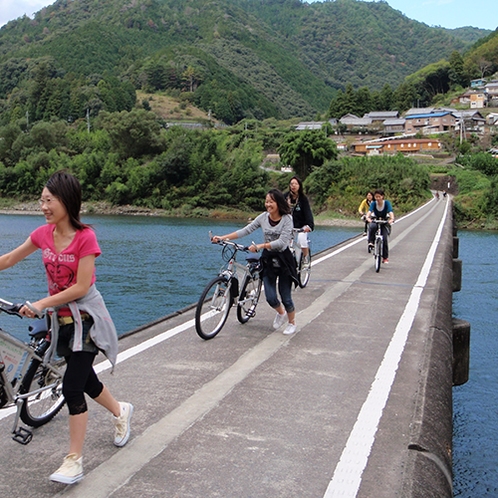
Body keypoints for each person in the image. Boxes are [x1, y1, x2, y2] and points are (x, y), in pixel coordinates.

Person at [0, 171, 133, 485]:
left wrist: (42, 303)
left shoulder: (85, 237)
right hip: (59, 322)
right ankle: (121, 410)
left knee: (73, 388)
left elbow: (81, 286)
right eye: (42, 200)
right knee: (85, 380)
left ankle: (74, 460)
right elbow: (7, 260)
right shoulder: (43, 234)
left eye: (49, 200)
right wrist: (46, 307)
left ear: (67, 201)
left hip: (86, 319)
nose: (43, 206)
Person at [211, 189, 299, 335]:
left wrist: (260, 246)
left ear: (278, 203)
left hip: (284, 260)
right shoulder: (263, 217)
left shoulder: (287, 219)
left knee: (286, 297)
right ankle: (281, 313)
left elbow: (282, 242)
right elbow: (246, 230)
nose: (268, 204)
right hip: (268, 260)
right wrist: (223, 237)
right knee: (270, 298)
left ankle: (292, 322)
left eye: (271, 201)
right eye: (266, 201)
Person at [284, 176, 314, 264]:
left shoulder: (303, 199)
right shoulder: (285, 197)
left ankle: (305, 257)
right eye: (291, 184)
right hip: (287, 226)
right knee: (284, 243)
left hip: (301, 226)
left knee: (302, 240)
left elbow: (308, 213)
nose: (293, 186)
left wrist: (309, 225)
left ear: (299, 186)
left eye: (296, 184)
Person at [366, 189, 394, 263]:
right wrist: (367, 217)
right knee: (372, 227)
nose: (377, 198)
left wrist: (392, 219)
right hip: (376, 220)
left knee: (384, 239)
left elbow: (390, 211)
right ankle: (371, 242)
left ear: (382, 197)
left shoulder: (387, 203)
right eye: (376, 197)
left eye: (379, 197)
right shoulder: (374, 204)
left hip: (384, 221)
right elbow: (370, 211)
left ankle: (385, 257)